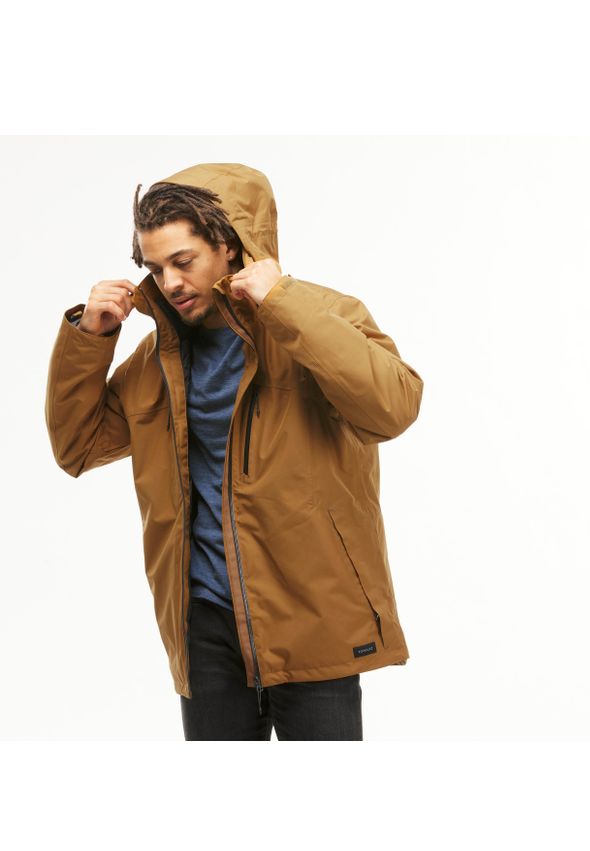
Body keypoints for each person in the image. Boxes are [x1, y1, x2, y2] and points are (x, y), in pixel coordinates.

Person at [44, 162, 424, 741]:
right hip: (204, 621)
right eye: (155, 268)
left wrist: (285, 303)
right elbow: (77, 447)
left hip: (311, 611)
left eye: (184, 261)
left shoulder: (323, 314)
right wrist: (90, 338)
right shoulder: (158, 357)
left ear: (230, 245)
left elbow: (393, 408)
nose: (170, 282)